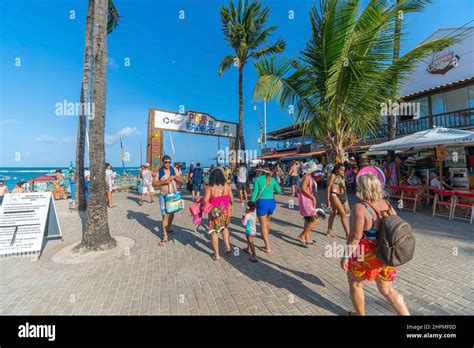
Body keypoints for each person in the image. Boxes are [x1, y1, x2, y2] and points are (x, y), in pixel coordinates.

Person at [341, 174, 410, 316]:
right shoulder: (388, 205)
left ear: (361, 188)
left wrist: (345, 256)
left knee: (355, 283)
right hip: (386, 254)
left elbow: (355, 237)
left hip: (366, 255)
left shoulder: (360, 208)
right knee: (388, 289)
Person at [203, 168, 233, 260]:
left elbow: (205, 200)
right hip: (225, 211)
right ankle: (227, 247)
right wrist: (231, 206)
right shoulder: (227, 186)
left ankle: (217, 255)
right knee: (224, 228)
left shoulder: (210, 187)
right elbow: (231, 198)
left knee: (214, 232)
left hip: (215, 212)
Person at [251, 166, 281, 253]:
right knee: (268, 220)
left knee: (263, 224)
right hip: (271, 202)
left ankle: (267, 246)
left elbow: (255, 192)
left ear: (261, 171)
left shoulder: (257, 179)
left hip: (262, 203)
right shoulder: (273, 179)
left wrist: (251, 203)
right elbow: (279, 191)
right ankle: (265, 234)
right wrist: (271, 191)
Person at [156, 155, 182, 246]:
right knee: (164, 216)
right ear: (163, 162)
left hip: (172, 196)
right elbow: (154, 183)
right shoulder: (159, 171)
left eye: (169, 162)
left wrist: (174, 177)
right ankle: (165, 236)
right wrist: (164, 182)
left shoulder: (174, 170)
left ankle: (168, 227)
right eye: (166, 162)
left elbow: (181, 180)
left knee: (171, 213)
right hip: (163, 196)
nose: (168, 164)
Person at [297, 162, 322, 246]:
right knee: (315, 220)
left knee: (308, 220)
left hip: (308, 200)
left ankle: (307, 239)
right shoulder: (307, 177)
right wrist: (312, 197)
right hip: (307, 201)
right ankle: (302, 235)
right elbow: (303, 189)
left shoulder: (308, 176)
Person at [326, 163, 350, 238]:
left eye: (343, 170)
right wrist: (328, 201)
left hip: (337, 195)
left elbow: (336, 186)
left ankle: (329, 231)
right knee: (343, 215)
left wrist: (340, 190)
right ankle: (348, 234)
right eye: (341, 170)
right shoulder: (333, 175)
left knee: (333, 213)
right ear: (336, 169)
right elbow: (328, 188)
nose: (342, 171)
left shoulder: (338, 176)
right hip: (333, 196)